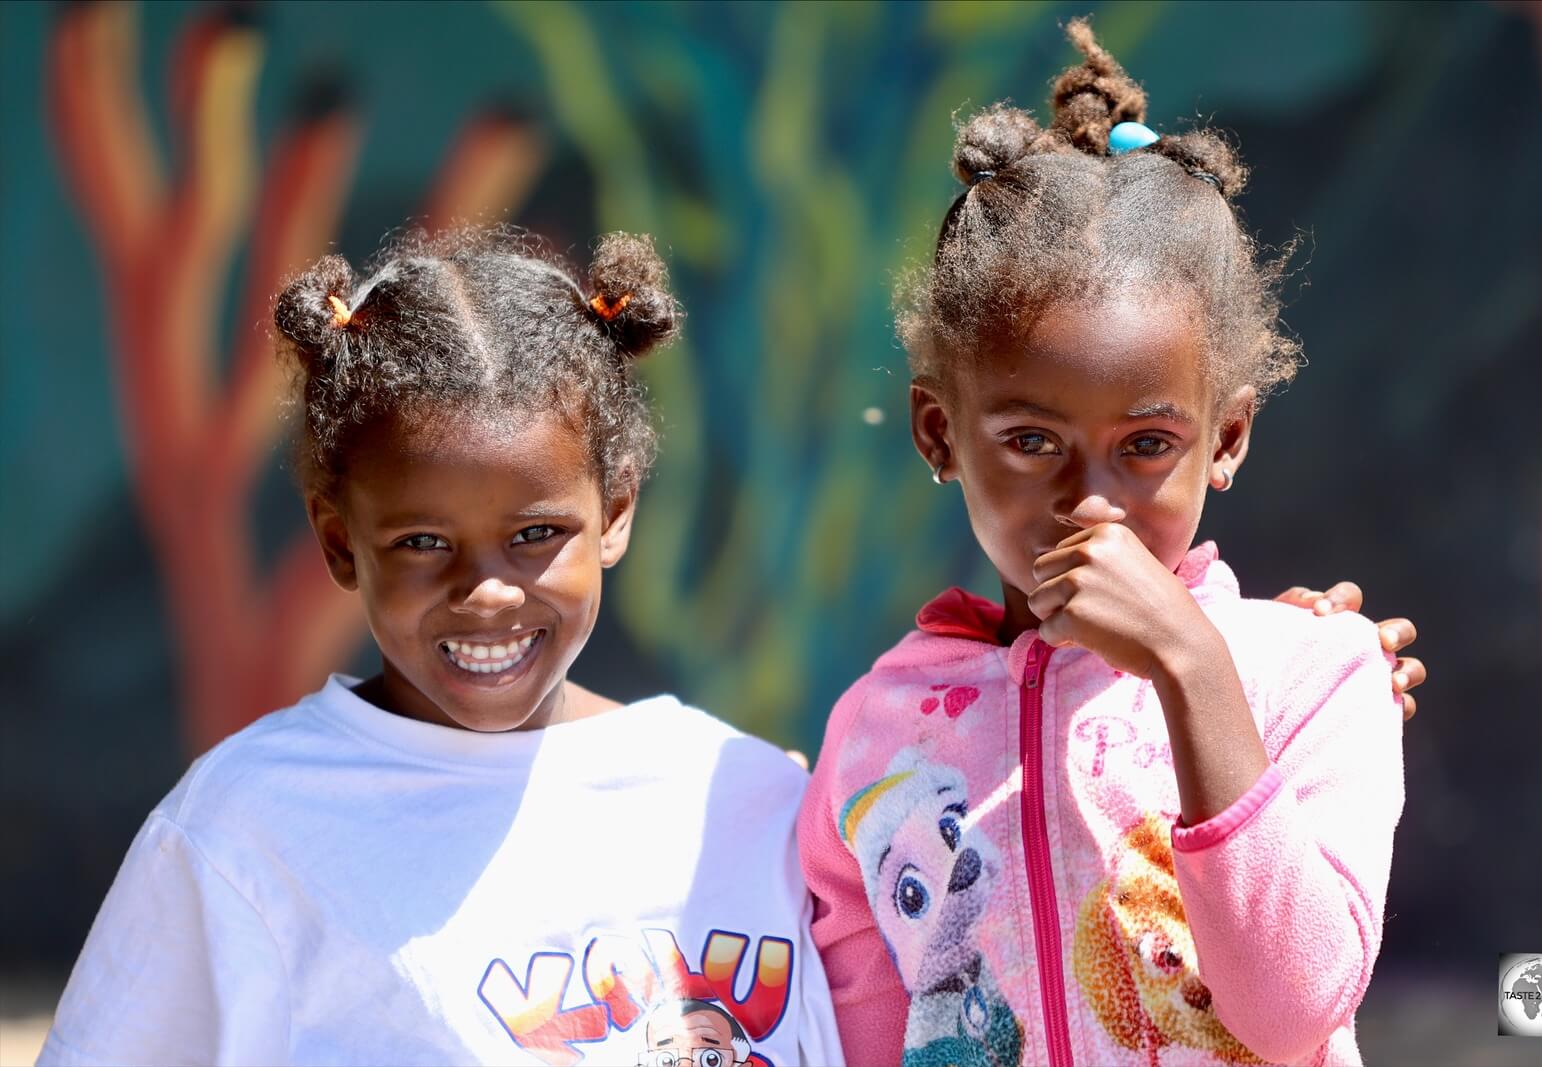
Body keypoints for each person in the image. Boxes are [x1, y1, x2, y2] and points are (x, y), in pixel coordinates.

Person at [38, 228, 842, 1066]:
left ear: (616, 512)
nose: (486, 590)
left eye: (535, 533)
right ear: (341, 543)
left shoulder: (745, 798)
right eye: (422, 541)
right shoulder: (247, 834)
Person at [800, 20, 1408, 1067]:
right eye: (1031, 439)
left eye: (1146, 444)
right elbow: (862, 1030)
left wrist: (1191, 666)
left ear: (1224, 439)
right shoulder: (872, 737)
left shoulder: (1310, 678)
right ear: (939, 434)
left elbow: (1294, 1006)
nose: (1092, 501)